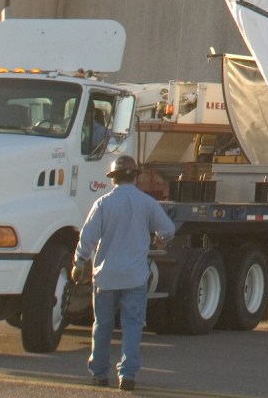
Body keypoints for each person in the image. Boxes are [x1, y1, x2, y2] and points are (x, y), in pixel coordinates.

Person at [73, 153, 175, 391]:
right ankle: (127, 376)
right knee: (132, 325)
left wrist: (79, 262)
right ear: (135, 177)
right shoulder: (147, 203)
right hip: (135, 277)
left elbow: (87, 238)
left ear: (113, 178)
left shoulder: (103, 203)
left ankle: (99, 374)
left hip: (106, 276)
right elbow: (168, 230)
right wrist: (160, 240)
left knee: (103, 325)